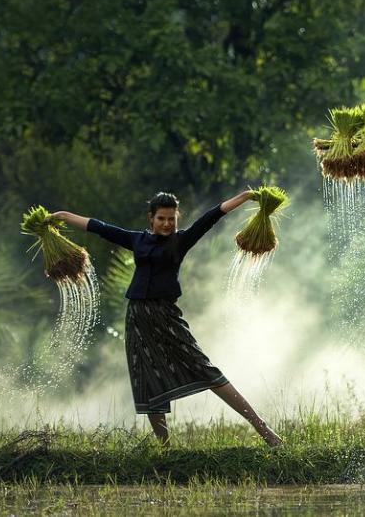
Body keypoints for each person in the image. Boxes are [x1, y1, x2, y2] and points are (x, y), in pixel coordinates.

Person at [52, 192, 282, 447]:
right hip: (138, 317)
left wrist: (246, 196)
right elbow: (99, 227)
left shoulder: (181, 240)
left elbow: (213, 216)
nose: (166, 224)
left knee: (204, 368)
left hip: (166, 315)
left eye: (171, 219)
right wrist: (61, 216)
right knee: (147, 378)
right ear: (151, 218)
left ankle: (265, 432)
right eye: (161, 218)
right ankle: (166, 449)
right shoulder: (137, 240)